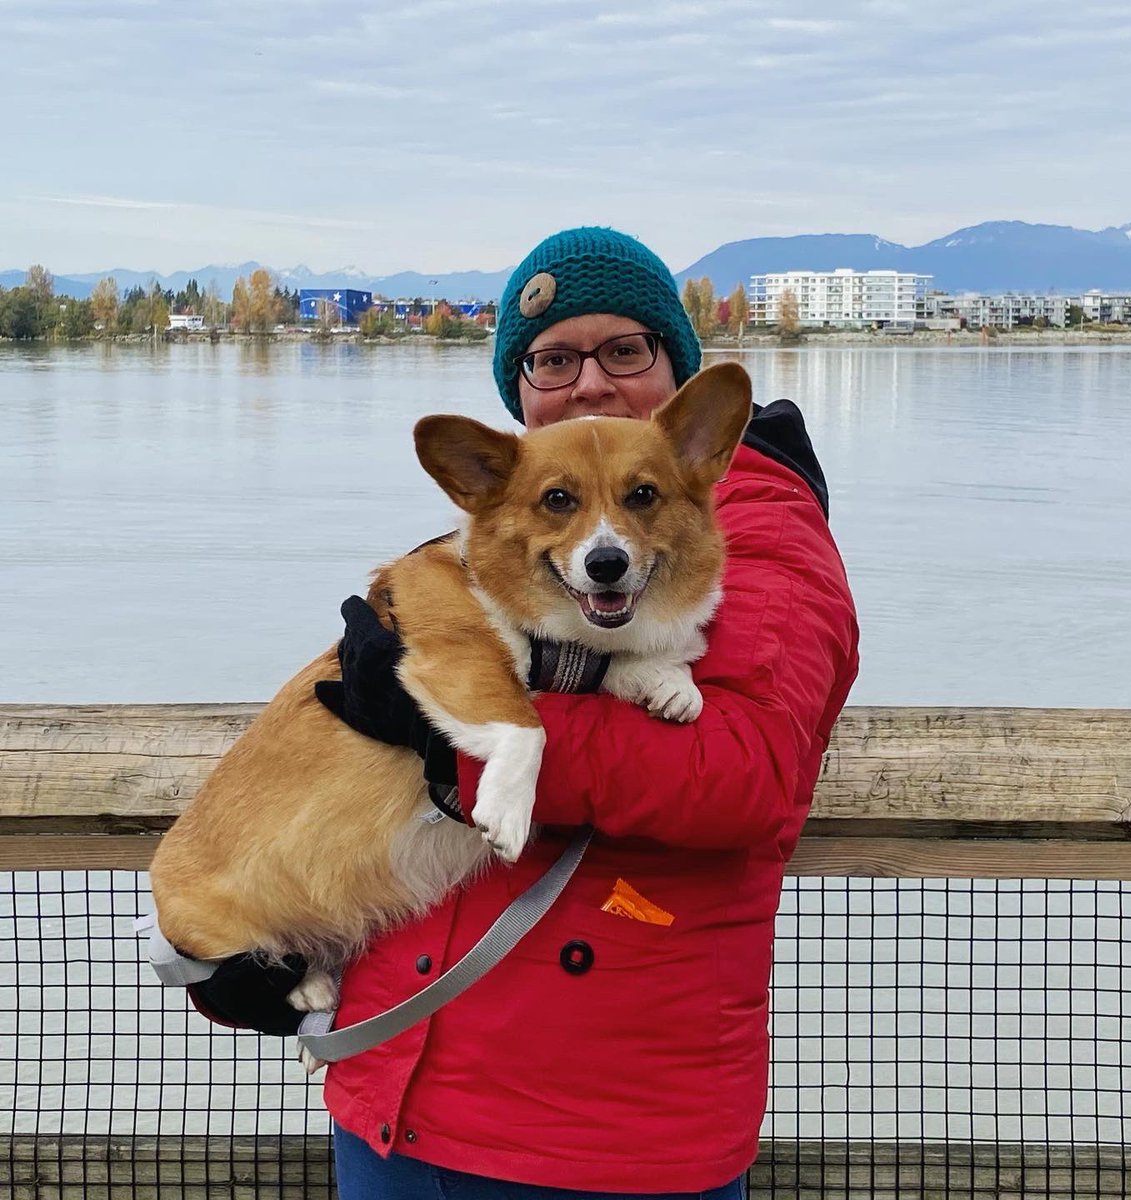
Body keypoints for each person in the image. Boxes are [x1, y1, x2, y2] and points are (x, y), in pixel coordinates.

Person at [188, 227, 860, 1198]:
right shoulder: (516, 529)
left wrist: (447, 740)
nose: (589, 385)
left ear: (678, 375)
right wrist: (261, 931)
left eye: (623, 350)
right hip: (393, 1089)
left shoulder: (762, 530)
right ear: (520, 391)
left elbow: (740, 777)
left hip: (603, 1132)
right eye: (552, 360)